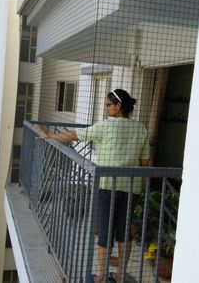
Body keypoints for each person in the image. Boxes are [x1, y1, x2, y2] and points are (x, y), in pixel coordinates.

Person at [34, 89, 150, 283]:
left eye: (108, 105)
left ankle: (102, 276)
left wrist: (49, 136)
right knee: (124, 232)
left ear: (118, 106)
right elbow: (145, 162)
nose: (106, 108)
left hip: (106, 186)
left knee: (104, 232)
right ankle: (121, 273)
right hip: (131, 187)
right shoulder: (141, 129)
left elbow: (74, 135)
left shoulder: (105, 126)